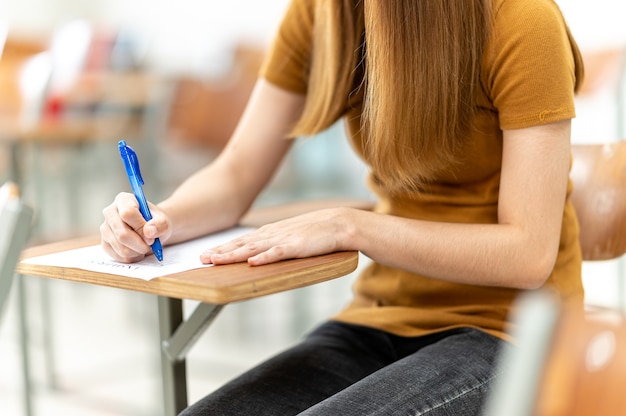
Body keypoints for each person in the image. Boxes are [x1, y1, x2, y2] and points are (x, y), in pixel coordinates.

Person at [100, 0, 584, 414]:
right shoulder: (324, 13)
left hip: (512, 335)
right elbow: (236, 174)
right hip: (380, 316)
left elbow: (529, 253)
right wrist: (158, 220)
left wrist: (354, 228)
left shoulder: (521, 19)